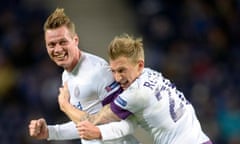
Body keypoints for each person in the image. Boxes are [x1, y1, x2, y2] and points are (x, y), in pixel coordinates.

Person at [58, 34, 213, 144]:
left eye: (122, 70)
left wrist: (65, 106)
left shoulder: (135, 95)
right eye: (113, 71)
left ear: (139, 65)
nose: (117, 78)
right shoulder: (152, 73)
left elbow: (92, 122)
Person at [28, 8, 140, 144]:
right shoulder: (66, 75)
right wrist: (50, 132)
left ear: (75, 40)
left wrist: (66, 107)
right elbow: (85, 124)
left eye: (63, 42)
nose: (57, 49)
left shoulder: (98, 72)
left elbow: (122, 118)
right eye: (51, 44)